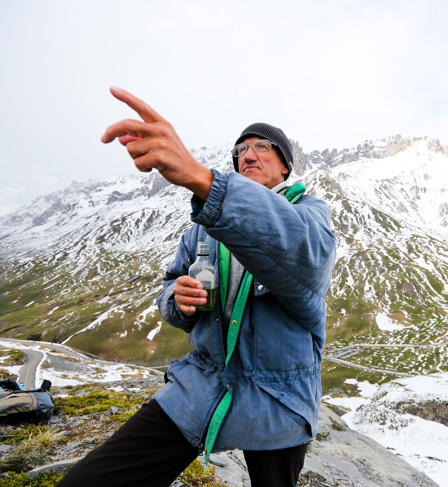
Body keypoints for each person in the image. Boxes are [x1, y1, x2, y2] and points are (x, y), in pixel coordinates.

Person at [57, 87, 336, 487]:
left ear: (286, 168)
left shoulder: (311, 213)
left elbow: (301, 253)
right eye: (240, 150)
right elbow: (168, 288)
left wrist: (204, 180)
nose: (248, 155)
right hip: (202, 383)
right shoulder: (205, 227)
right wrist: (178, 300)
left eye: (263, 147)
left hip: (280, 397)